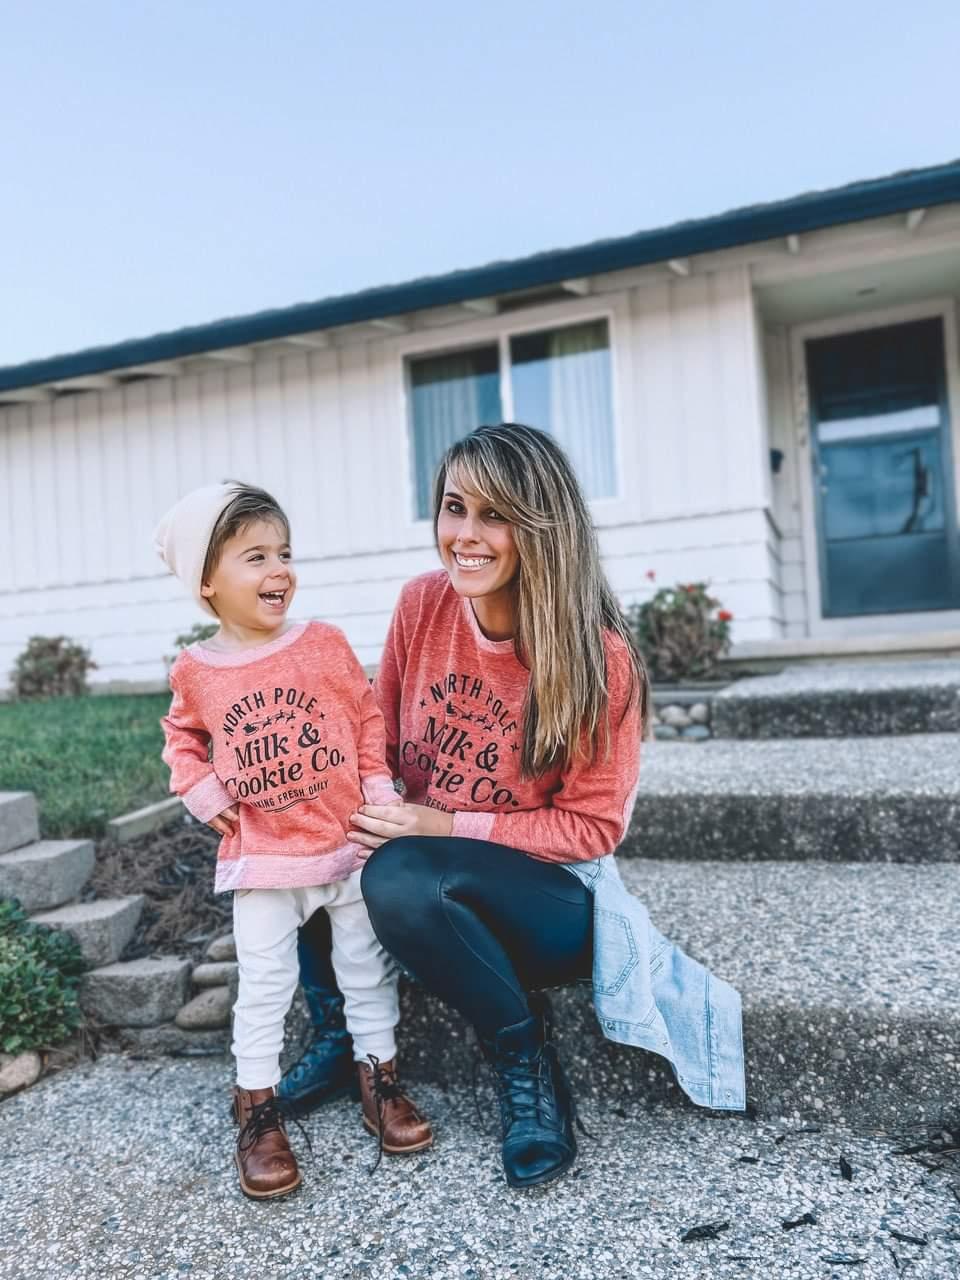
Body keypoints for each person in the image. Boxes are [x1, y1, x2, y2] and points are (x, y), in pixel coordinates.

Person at [286, 423, 746, 1190]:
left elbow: (593, 827)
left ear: (542, 525)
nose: (466, 535)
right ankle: (341, 1041)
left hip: (549, 905)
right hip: (429, 874)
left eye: (494, 514)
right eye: (454, 507)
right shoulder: (421, 605)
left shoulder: (597, 656)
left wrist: (444, 823)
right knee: (302, 821)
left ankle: (524, 1059)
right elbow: (386, 748)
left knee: (405, 873)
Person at [154, 482, 431, 1201]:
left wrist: (377, 790)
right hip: (265, 856)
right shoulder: (197, 670)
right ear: (207, 581)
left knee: (366, 973)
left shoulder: (323, 644)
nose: (279, 570)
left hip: (346, 847)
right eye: (255, 557)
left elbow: (367, 718)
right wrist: (201, 790)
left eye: (284, 553)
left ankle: (381, 1080)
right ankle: (258, 1109)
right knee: (266, 988)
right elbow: (180, 739)